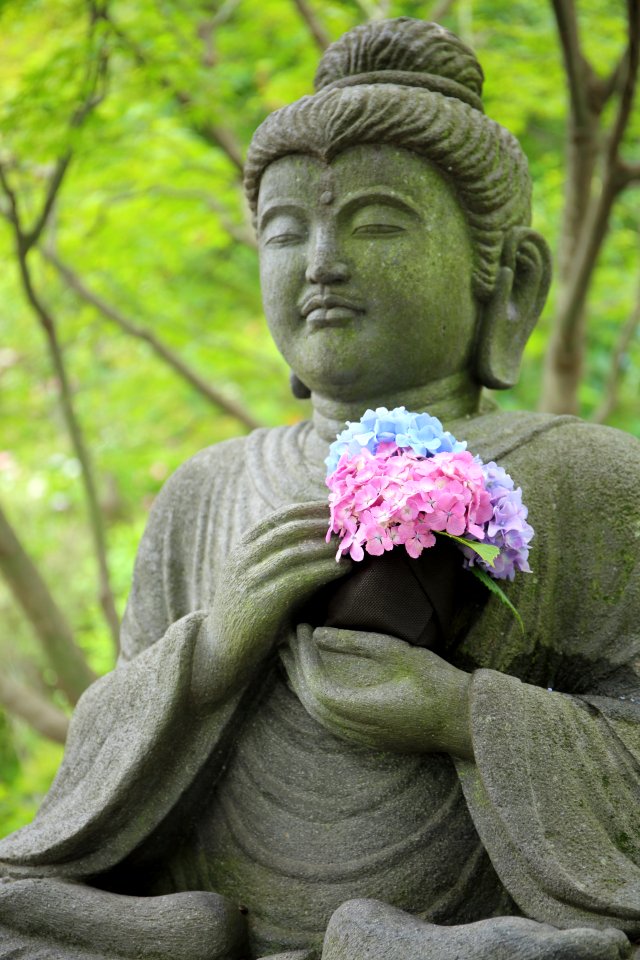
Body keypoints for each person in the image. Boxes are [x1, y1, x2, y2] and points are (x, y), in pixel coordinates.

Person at [0, 18, 638, 960]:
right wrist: (209, 653)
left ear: (505, 281)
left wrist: (463, 716)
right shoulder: (206, 490)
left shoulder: (590, 475)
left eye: (378, 222)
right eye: (285, 229)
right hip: (205, 920)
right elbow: (91, 785)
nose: (321, 262)